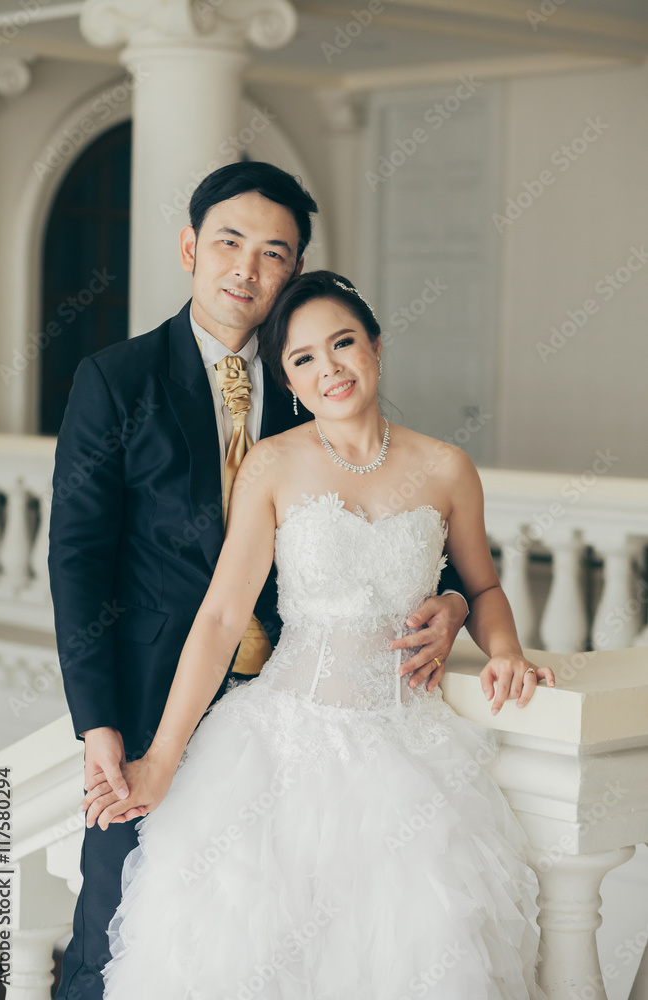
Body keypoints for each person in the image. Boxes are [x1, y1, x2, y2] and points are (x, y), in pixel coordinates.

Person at [48, 164, 470, 1000]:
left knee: (273, 948)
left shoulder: (311, 379)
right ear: (189, 247)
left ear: (293, 272)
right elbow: (77, 558)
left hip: (288, 717)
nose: (247, 267)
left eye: (274, 253)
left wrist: (454, 602)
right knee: (119, 934)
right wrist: (97, 722)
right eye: (229, 242)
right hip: (149, 696)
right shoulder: (116, 381)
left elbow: (405, 510)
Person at [82, 269, 555, 999]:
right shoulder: (273, 465)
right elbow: (219, 619)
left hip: (409, 756)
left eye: (342, 343)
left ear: (373, 346)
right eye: (303, 358)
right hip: (278, 748)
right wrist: (163, 759)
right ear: (288, 380)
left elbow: (482, 584)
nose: (328, 367)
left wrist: (503, 650)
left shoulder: (445, 467)